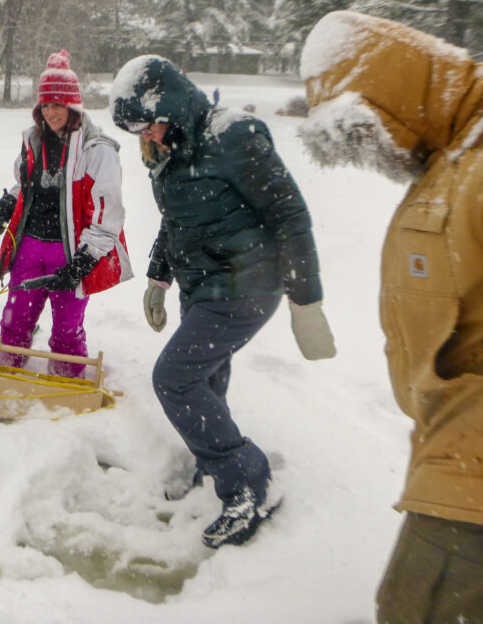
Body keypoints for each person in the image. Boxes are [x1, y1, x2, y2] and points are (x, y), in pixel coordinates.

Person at [298, 9, 483, 623]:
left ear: (388, 92)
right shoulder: (462, 152)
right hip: (463, 464)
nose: (381, 153)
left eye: (369, 131)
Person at [109, 55, 336, 549]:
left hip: (246, 285)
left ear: (169, 105)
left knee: (173, 378)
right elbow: (176, 220)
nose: (145, 136)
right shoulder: (168, 151)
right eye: (137, 131)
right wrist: (159, 277)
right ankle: (213, 466)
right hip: (201, 284)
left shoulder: (232, 136)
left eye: (148, 125)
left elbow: (289, 215)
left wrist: (306, 301)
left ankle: (250, 482)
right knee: (206, 380)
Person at [0, 50, 133, 377]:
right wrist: (6, 204)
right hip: (30, 246)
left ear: (73, 106)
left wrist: (84, 260)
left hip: (71, 250)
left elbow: (108, 214)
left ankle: (67, 385)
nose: (51, 112)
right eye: (45, 105)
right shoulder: (34, 141)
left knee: (66, 330)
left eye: (58, 104)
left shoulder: (98, 150)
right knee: (15, 319)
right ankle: (6, 375)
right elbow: (26, 185)